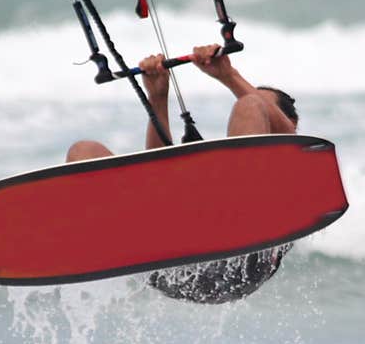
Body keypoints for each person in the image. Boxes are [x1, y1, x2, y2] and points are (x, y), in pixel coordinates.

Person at [65, 43, 299, 303]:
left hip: (245, 259)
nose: (255, 106)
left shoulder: (295, 167)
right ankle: (95, 236)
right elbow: (157, 182)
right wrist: (157, 98)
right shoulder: (214, 182)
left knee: (249, 105)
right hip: (170, 265)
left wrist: (228, 76)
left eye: (268, 112)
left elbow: (284, 132)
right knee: (83, 151)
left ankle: (232, 217)